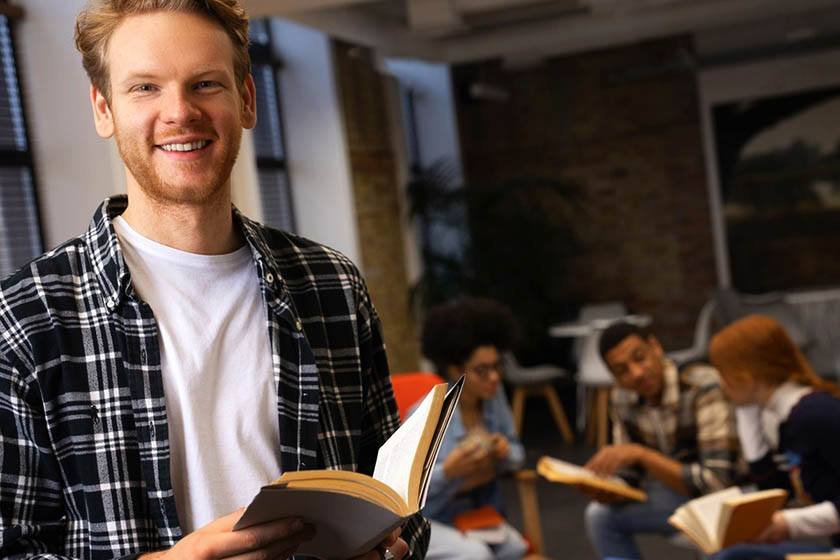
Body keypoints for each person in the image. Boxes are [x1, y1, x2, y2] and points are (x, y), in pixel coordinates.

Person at [0, 1, 428, 559]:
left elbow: (395, 503)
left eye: (204, 83)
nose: (180, 112)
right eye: (145, 88)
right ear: (103, 109)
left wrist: (393, 548)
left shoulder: (332, 286)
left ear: (246, 99)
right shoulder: (27, 318)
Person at [582, 321, 741, 560]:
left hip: (731, 497)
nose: (636, 373)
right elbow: (630, 474)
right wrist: (611, 490)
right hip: (678, 497)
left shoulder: (702, 385)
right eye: (622, 370)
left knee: (710, 530)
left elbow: (716, 482)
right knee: (599, 515)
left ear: (655, 347)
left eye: (639, 358)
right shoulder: (623, 397)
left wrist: (642, 455)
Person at [707, 314, 839, 560]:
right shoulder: (784, 416)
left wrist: (787, 523)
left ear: (745, 378)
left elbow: (783, 511)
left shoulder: (816, 414)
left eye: (723, 375)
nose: (722, 386)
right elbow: (775, 491)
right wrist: (746, 408)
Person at [418, 297, 529, 560]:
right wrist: (448, 472)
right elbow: (407, 494)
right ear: (455, 369)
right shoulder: (428, 415)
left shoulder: (493, 398)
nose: (494, 377)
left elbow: (517, 453)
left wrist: (505, 453)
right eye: (482, 370)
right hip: (429, 520)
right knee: (476, 555)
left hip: (476, 515)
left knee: (514, 548)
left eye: (496, 366)